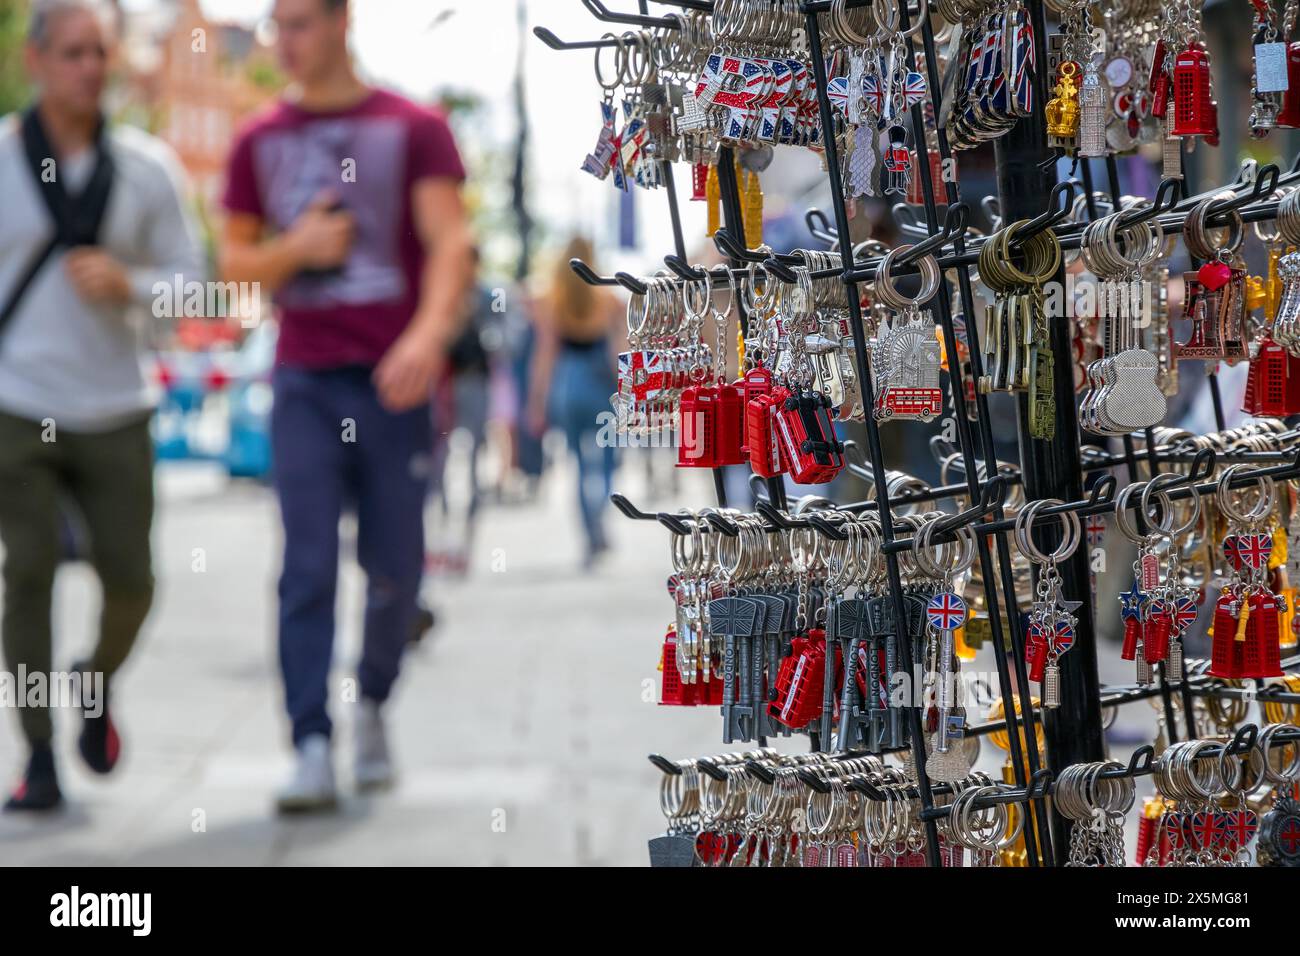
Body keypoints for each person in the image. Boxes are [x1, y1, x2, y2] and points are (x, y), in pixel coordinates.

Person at [219, 0, 473, 812]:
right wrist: (295, 249)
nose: (283, 41)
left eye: (298, 23)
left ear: (340, 22)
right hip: (302, 379)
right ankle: (310, 742)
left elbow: (451, 245)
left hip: (394, 379)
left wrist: (427, 339)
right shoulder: (256, 139)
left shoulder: (415, 125)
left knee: (397, 565)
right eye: (275, 25)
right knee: (306, 563)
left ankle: (370, 704)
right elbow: (233, 270)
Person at [0, 0, 204, 811]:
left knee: (134, 581)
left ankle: (94, 681)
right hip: (16, 405)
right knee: (29, 577)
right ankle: (40, 753)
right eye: (74, 52)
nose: (90, 67)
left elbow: (194, 285)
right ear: (37, 61)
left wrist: (134, 286)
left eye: (101, 53)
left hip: (118, 407)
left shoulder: (149, 168)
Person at [528, 238, 623, 567]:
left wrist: (536, 401)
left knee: (579, 465)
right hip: (600, 386)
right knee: (609, 461)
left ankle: (589, 532)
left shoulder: (551, 300)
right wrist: (627, 392)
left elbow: (545, 355)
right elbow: (617, 351)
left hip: (566, 385)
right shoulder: (609, 298)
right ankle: (600, 514)